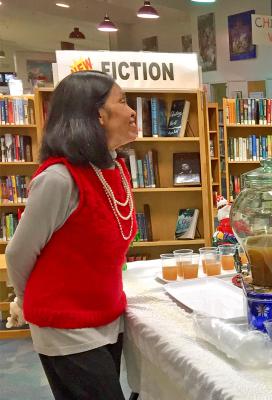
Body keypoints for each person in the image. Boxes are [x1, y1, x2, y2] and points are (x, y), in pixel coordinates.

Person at [4, 70, 138, 399]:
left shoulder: (115, 169)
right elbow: (18, 255)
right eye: (121, 101)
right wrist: (31, 303)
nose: (132, 110)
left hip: (106, 315)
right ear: (97, 115)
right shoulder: (59, 179)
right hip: (65, 327)